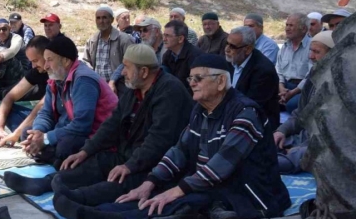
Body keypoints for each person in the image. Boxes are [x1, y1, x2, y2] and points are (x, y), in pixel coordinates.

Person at [87, 54, 290, 219]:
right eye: (190, 78)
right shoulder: (200, 109)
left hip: (249, 193)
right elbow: (180, 150)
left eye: (198, 78)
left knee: (171, 205)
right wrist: (151, 182)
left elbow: (220, 166)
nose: (192, 83)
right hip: (209, 183)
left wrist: (176, 190)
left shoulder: (245, 113)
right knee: (148, 194)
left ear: (220, 82)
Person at [51, 45, 193, 215]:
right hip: (129, 153)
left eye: (126, 67)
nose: (123, 72)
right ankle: (50, 183)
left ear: (144, 72)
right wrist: (86, 151)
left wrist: (129, 166)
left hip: (155, 163)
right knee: (95, 161)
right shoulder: (135, 89)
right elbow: (113, 123)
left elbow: (159, 140)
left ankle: (80, 200)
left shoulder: (170, 90)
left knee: (122, 179)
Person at [2, 36, 118, 196]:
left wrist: (46, 138)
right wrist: (37, 133)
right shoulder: (55, 79)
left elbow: (82, 125)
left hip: (102, 140)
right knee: (27, 133)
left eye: (49, 60)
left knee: (67, 145)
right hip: (80, 134)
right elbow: (46, 113)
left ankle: (47, 181)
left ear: (65, 61)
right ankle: (57, 159)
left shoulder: (84, 79)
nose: (45, 65)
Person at [275, 31, 333, 174]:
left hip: (324, 146)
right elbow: (300, 114)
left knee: (273, 163)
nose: (311, 56)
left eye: (317, 52)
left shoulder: (339, 86)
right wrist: (281, 131)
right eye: (311, 51)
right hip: (303, 137)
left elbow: (332, 135)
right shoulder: (313, 76)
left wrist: (300, 149)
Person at [0, 36, 50, 147]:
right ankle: (27, 136)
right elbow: (9, 97)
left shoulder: (57, 73)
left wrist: (16, 133)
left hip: (54, 119)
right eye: (31, 62)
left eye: (35, 61)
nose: (33, 66)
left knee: (28, 131)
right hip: (42, 118)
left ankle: (27, 136)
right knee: (7, 110)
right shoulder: (38, 70)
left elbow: (42, 106)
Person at [225, 26, 280, 128]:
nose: (227, 49)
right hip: (233, 114)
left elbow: (252, 106)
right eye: (226, 43)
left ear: (248, 49)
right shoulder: (231, 60)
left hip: (256, 123)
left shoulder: (263, 71)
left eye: (232, 46)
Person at [108, 18, 165, 95]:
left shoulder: (167, 50)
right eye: (140, 31)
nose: (142, 35)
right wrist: (112, 81)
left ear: (157, 32)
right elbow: (126, 64)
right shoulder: (142, 48)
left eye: (145, 30)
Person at [83, 5, 134, 83]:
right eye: (98, 18)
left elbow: (130, 62)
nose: (101, 21)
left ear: (112, 20)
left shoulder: (124, 39)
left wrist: (113, 80)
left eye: (104, 17)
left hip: (119, 86)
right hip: (98, 85)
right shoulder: (92, 40)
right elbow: (86, 61)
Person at [276, 13, 312, 114]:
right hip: (284, 86)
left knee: (291, 105)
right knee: (264, 96)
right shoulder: (285, 46)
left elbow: (311, 75)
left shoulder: (312, 46)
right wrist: (281, 88)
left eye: (291, 25)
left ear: (304, 29)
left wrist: (293, 92)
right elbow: (278, 70)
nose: (287, 28)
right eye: (286, 25)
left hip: (301, 88)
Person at [162, 20, 203, 93]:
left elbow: (197, 85)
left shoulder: (195, 56)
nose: (164, 39)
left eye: (168, 36)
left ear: (180, 39)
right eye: (164, 35)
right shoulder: (167, 55)